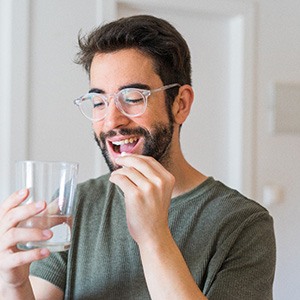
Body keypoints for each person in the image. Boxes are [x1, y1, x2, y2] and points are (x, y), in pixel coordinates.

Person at [0, 15, 276, 300]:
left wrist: (154, 236)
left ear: (180, 104)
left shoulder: (244, 224)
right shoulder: (77, 205)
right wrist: (14, 284)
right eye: (98, 102)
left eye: (132, 98)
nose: (112, 121)